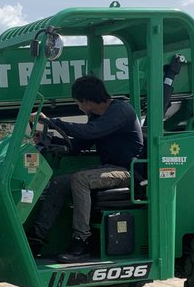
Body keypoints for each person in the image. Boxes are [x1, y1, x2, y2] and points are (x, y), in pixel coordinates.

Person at [28, 75, 143, 262]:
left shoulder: (121, 111)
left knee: (80, 179)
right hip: (107, 169)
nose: (78, 106)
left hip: (127, 171)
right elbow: (78, 145)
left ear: (87, 101)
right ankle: (36, 238)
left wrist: (52, 121)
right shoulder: (97, 117)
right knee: (59, 182)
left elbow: (90, 132)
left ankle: (81, 241)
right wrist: (48, 139)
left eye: (78, 102)